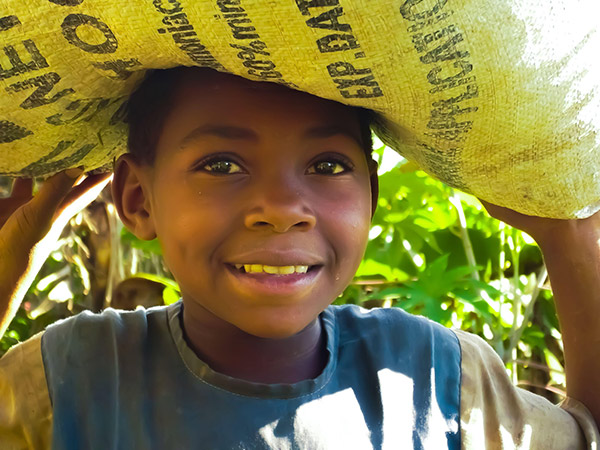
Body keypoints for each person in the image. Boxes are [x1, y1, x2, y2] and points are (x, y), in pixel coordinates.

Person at [0, 66, 598, 449]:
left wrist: (566, 241)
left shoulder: (436, 377)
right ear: (137, 197)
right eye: (222, 164)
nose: (283, 208)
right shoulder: (68, 377)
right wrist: (19, 244)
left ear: (371, 194)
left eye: (329, 166)